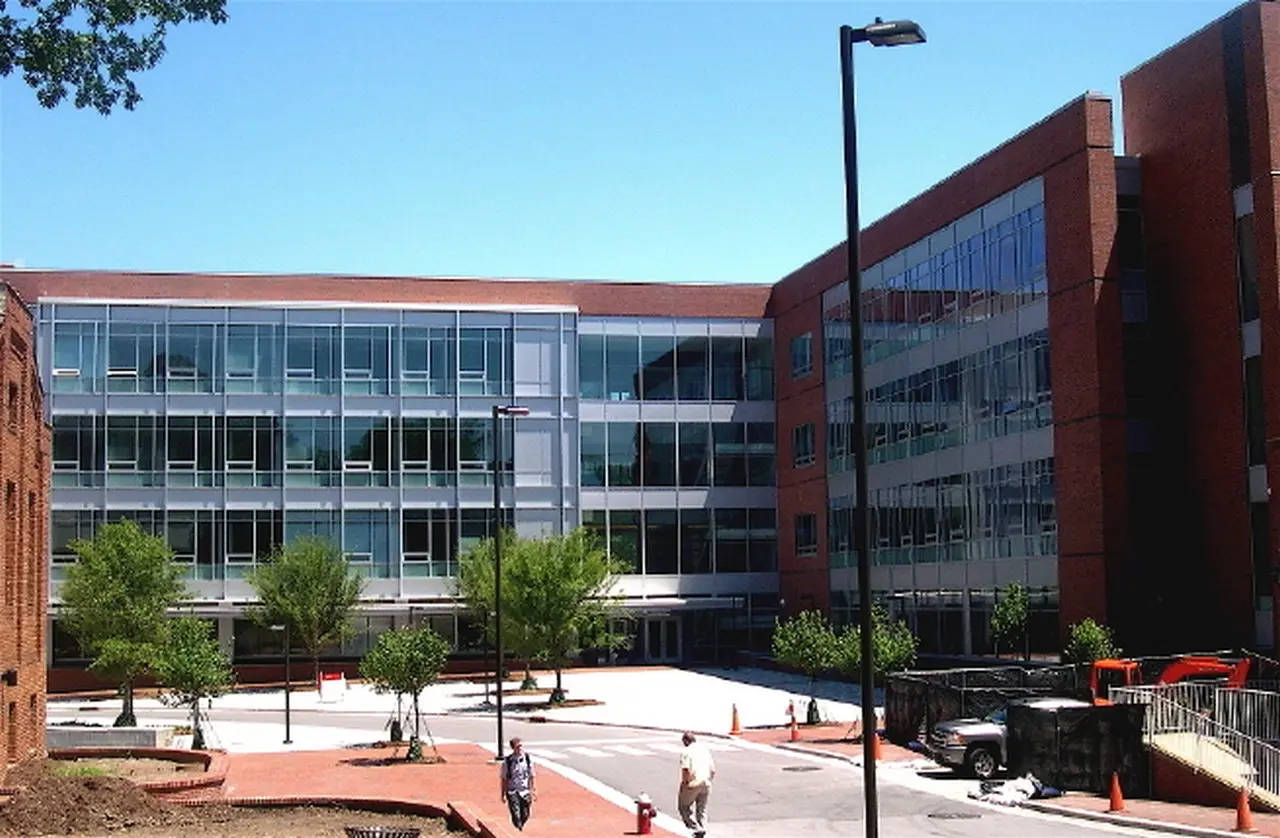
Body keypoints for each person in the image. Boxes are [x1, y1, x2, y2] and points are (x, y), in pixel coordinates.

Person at [677, 731, 715, 838]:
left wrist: (685, 783)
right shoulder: (704, 750)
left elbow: (686, 769)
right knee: (701, 809)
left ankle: (695, 828)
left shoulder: (686, 752)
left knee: (684, 806)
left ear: (686, 741)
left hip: (694, 782)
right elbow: (713, 769)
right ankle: (703, 827)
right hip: (706, 781)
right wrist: (709, 780)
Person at [500, 737, 536, 831]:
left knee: (526, 813)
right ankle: (518, 830)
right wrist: (503, 794)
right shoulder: (507, 761)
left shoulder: (527, 759)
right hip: (513, 791)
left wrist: (533, 790)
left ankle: (520, 826)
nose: (520, 748)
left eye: (521, 746)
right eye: (517, 747)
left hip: (525, 790)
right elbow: (504, 779)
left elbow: (532, 776)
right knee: (516, 814)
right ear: (513, 748)